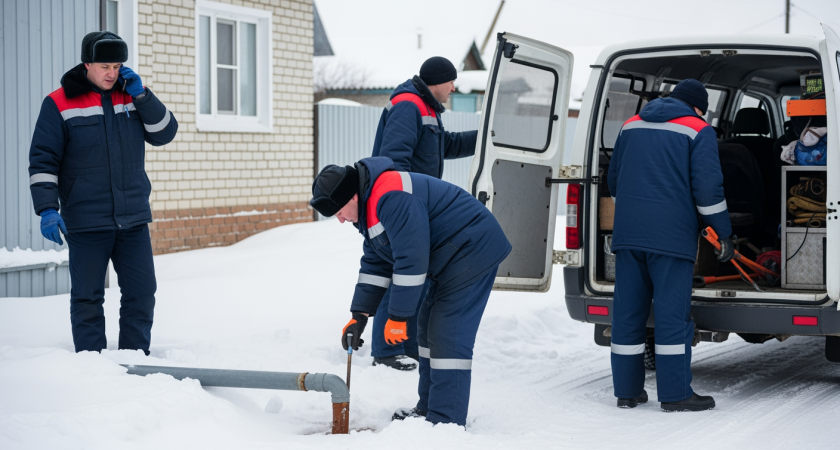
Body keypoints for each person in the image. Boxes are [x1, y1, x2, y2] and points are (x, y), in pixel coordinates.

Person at [310, 156, 510, 426]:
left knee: (447, 333)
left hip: (473, 248)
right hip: (449, 256)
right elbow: (376, 263)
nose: (341, 220)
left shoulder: (391, 195)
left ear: (353, 197)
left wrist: (399, 316)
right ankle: (429, 408)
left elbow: (412, 259)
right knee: (428, 329)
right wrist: (359, 316)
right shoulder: (371, 208)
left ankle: (446, 421)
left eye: (339, 211)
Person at [28, 31, 178, 355]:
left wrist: (143, 96)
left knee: (141, 292)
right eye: (104, 66)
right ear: (87, 64)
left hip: (132, 218)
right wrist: (47, 209)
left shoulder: (131, 97)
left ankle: (135, 359)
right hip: (85, 220)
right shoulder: (59, 103)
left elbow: (165, 132)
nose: (112, 73)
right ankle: (91, 366)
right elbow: (43, 160)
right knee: (88, 297)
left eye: (117, 65)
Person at [607, 79, 733, 412]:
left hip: (628, 236)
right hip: (671, 239)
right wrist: (724, 234)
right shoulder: (698, 129)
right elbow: (708, 193)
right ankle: (676, 394)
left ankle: (627, 392)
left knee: (628, 314)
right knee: (671, 316)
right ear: (698, 107)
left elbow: (614, 181)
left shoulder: (630, 124)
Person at [368, 56, 478, 371]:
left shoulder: (426, 108)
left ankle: (407, 344)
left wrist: (485, 135)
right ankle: (386, 351)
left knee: (416, 276)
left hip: (416, 206)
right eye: (451, 82)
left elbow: (446, 146)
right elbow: (393, 160)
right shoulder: (408, 106)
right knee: (402, 275)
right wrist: (404, 207)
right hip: (404, 207)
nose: (453, 88)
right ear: (437, 81)